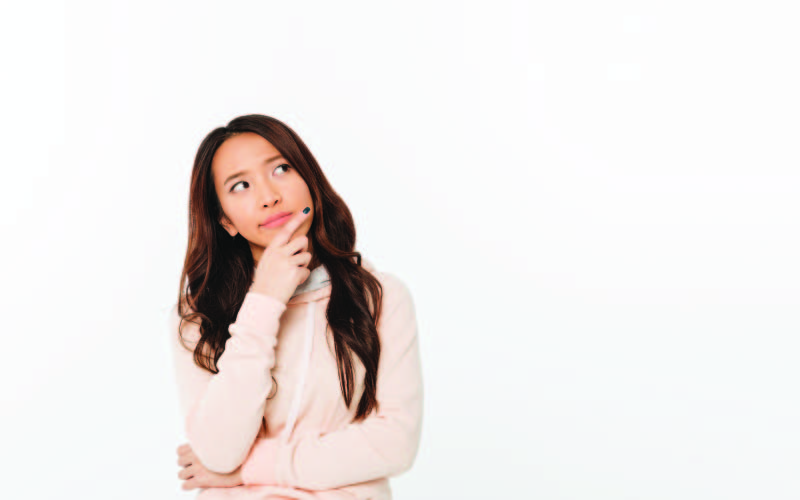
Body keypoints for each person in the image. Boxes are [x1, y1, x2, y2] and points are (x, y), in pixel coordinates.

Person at [167, 114, 424, 499]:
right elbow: (218, 453)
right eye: (240, 185)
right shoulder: (197, 316)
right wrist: (265, 300)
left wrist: (249, 471)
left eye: (282, 169)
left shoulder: (380, 298)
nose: (269, 196)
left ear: (309, 180)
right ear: (225, 220)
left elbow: (394, 443)